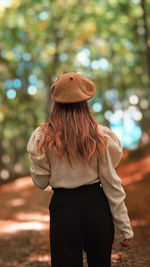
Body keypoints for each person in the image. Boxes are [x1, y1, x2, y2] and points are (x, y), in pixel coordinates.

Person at [27, 72, 134, 267]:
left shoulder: (43, 137)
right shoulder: (101, 136)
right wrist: (125, 227)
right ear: (86, 102)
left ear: (56, 103)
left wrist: (39, 160)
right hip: (96, 208)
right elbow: (111, 182)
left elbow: (41, 182)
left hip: (63, 210)